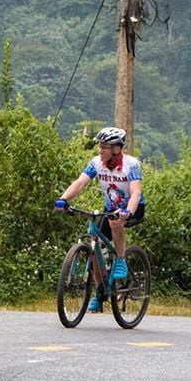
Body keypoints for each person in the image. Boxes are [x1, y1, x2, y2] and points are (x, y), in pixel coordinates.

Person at [54, 126, 145, 311]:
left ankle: (120, 260)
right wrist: (63, 199)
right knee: (94, 245)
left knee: (115, 221)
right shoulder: (96, 163)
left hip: (133, 207)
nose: (100, 150)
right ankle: (101, 290)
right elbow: (80, 183)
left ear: (117, 149)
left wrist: (127, 211)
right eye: (100, 147)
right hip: (111, 207)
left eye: (105, 147)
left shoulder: (131, 164)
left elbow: (135, 193)